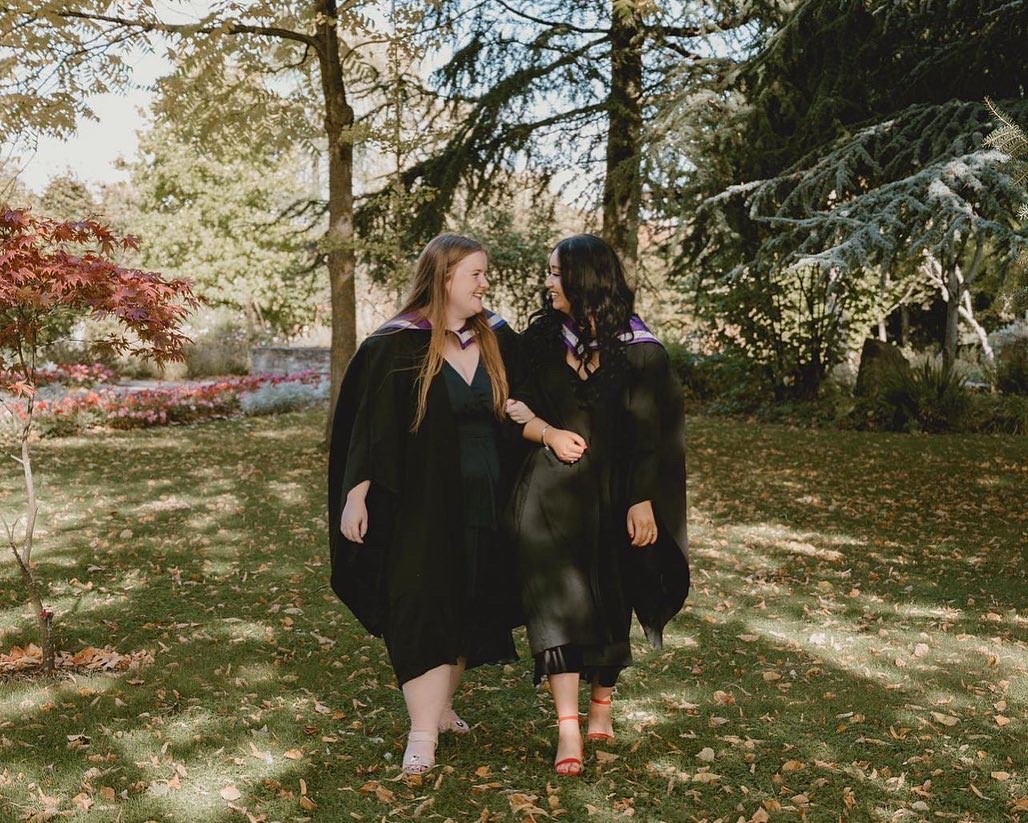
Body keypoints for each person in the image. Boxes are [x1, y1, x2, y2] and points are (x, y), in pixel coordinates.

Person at [327, 234, 522, 775]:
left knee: (466, 603)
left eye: (485, 274)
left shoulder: (499, 340)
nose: (485, 284)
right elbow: (368, 427)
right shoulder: (395, 344)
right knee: (421, 607)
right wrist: (356, 493)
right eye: (476, 274)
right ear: (444, 279)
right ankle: (420, 734)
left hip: (486, 500)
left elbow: (533, 400)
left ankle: (440, 709)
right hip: (421, 505)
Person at [505, 233, 689, 777]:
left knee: (611, 595)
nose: (548, 281)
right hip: (549, 488)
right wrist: (546, 432)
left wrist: (642, 500)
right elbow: (509, 402)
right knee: (556, 602)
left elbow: (655, 433)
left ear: (585, 279)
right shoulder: (539, 341)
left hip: (617, 494)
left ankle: (601, 702)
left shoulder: (641, 349)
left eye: (556, 272)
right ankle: (566, 725)